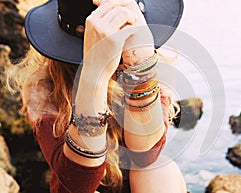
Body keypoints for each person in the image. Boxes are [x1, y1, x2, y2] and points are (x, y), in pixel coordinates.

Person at [7, 0, 187, 192]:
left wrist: (140, 63)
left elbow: (145, 155)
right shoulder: (45, 88)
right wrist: (95, 74)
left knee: (159, 170)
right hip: (79, 186)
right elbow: (79, 183)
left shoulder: (147, 63)